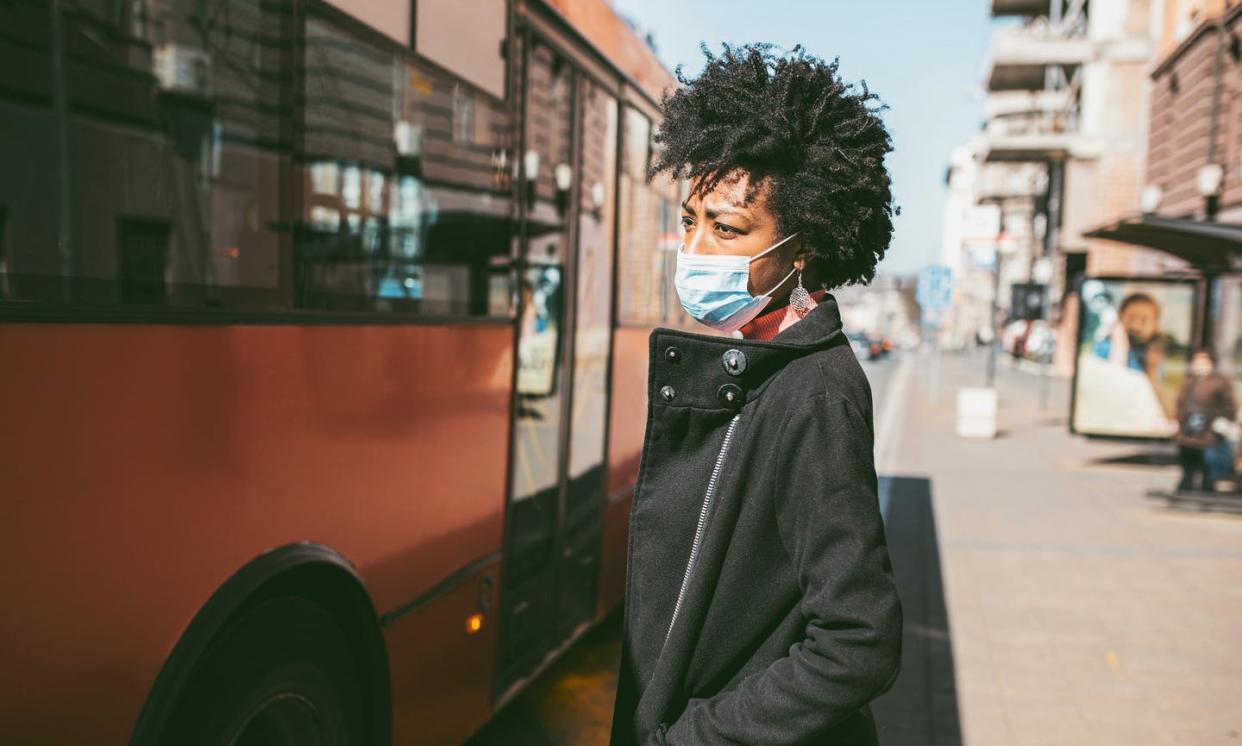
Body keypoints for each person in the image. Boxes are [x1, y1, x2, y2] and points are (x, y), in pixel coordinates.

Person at [610, 44, 902, 746]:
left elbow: (857, 640)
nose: (696, 248)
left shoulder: (815, 391)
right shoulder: (758, 365)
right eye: (690, 221)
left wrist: (694, 737)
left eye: (729, 228)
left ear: (801, 249)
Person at [1174, 348, 1238, 492]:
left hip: (1208, 431)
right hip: (1189, 430)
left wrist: (1224, 421)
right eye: (1196, 362)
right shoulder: (1190, 382)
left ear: (1210, 363)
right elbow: (1181, 404)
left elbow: (1229, 405)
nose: (1198, 365)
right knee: (1188, 460)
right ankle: (1186, 485)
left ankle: (1207, 487)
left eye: (1202, 362)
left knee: (1207, 463)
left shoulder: (1220, 382)